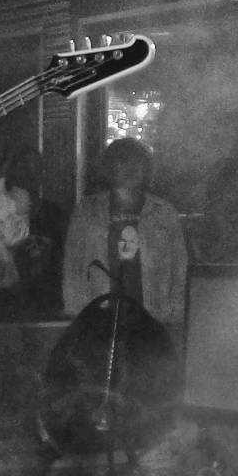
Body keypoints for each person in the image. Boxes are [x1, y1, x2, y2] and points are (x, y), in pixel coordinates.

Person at [61, 137, 187, 332]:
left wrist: (175, 317)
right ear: (108, 167)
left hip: (154, 322)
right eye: (122, 160)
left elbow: (179, 269)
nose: (131, 167)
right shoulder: (86, 212)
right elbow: (73, 268)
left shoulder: (164, 213)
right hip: (99, 322)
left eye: (137, 161)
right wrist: (78, 318)